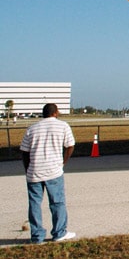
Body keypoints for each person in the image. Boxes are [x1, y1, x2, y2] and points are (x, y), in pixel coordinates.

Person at [19, 103, 76, 243]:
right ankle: (59, 232)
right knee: (57, 202)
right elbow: (70, 146)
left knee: (34, 204)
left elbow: (24, 151)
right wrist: (63, 162)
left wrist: (28, 168)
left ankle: (37, 236)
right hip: (53, 171)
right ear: (55, 113)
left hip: (34, 171)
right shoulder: (63, 126)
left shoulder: (32, 128)